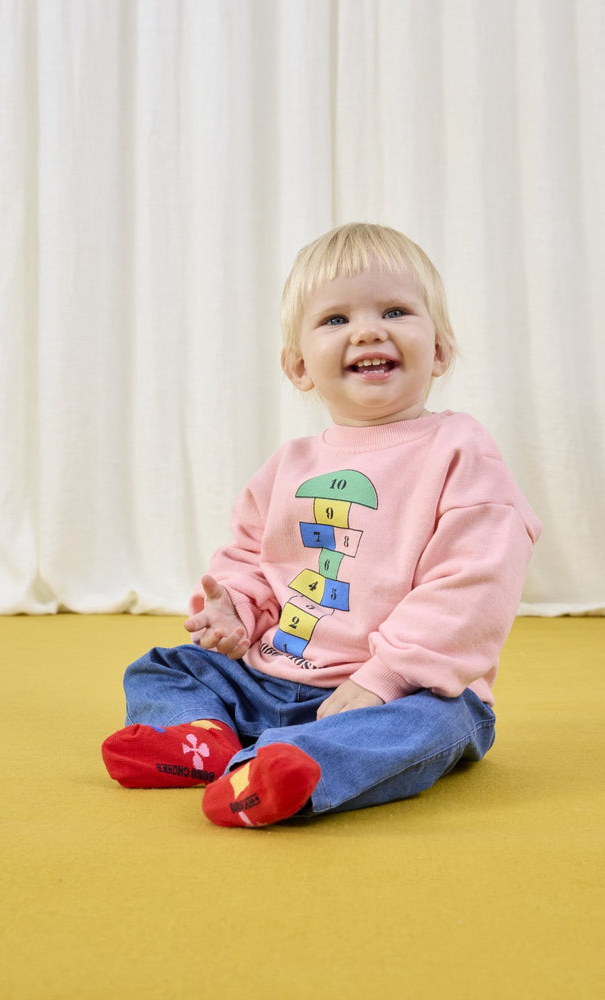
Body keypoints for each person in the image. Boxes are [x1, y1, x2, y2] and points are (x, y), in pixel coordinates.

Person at [101, 222, 541, 828]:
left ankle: (292, 770)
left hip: (395, 694)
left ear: (440, 349)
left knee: (443, 718)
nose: (368, 330)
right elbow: (252, 560)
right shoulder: (289, 466)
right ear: (299, 366)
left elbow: (474, 583)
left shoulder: (459, 451)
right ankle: (203, 739)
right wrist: (237, 612)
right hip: (269, 678)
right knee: (166, 666)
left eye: (395, 311)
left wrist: (386, 678)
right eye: (336, 319)